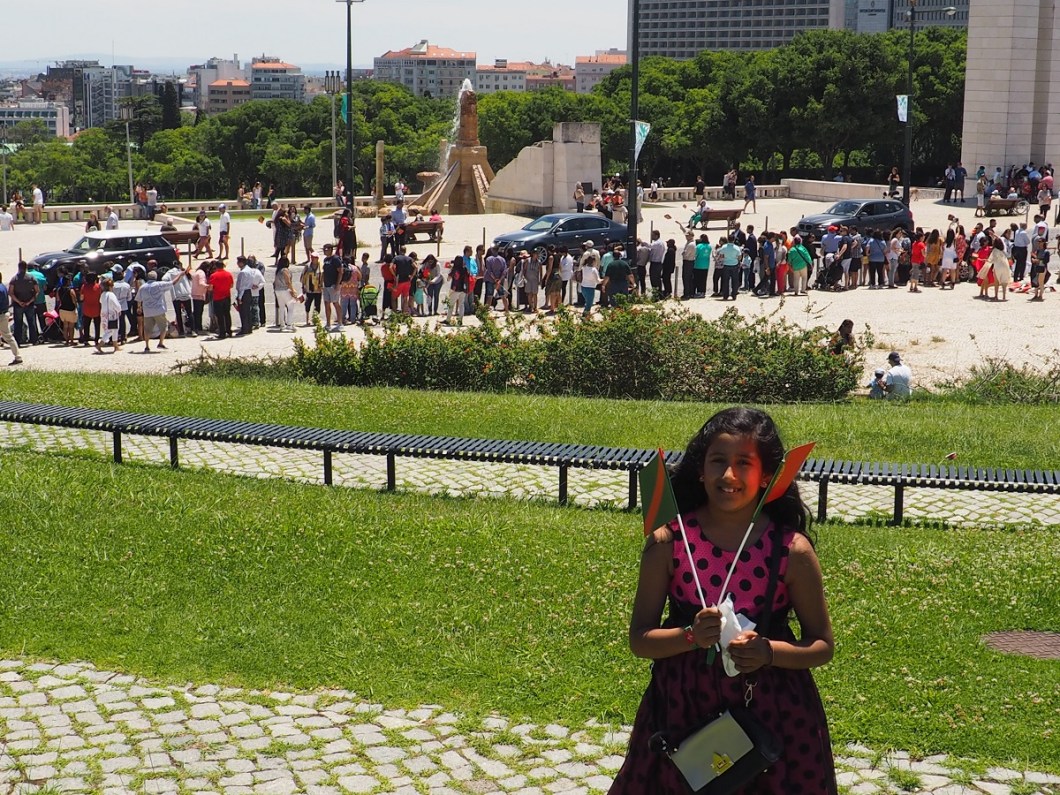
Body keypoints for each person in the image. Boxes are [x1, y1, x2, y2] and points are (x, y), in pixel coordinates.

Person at [607, 406, 836, 795]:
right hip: (682, 706)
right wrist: (689, 636)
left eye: (744, 463)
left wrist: (769, 652)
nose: (728, 475)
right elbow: (640, 639)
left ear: (767, 476)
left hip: (773, 711)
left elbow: (822, 646)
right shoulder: (669, 541)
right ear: (700, 469)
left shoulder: (791, 551)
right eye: (717, 461)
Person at [135, 269, 173, 351]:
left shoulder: (143, 287)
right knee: (163, 327)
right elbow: (172, 283)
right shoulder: (159, 285)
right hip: (158, 310)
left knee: (147, 329)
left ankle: (147, 345)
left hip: (147, 311)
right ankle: (161, 343)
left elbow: (139, 299)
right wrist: (180, 275)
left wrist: (139, 307)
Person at [206, 260, 234, 340]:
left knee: (220, 316)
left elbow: (211, 287)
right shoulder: (229, 274)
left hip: (218, 297)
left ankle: (222, 332)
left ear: (216, 267)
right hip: (227, 296)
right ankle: (229, 331)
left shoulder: (214, 276)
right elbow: (231, 285)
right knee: (227, 314)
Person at [0, 272, 23, 365]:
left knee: (8, 336)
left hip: (0, 314)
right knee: (8, 336)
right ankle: (18, 357)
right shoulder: (2, 286)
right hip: (4, 313)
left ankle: (18, 357)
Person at [97, 277, 123, 353]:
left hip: (104, 314)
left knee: (114, 330)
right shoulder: (111, 295)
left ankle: (116, 346)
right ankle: (99, 345)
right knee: (111, 331)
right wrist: (119, 310)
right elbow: (116, 304)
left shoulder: (103, 294)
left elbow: (101, 302)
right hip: (111, 315)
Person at [445, 255, 470, 326]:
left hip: (455, 288)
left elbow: (448, 278)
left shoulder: (454, 269)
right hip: (463, 289)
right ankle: (460, 320)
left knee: (451, 304)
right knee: (461, 304)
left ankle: (448, 319)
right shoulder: (464, 269)